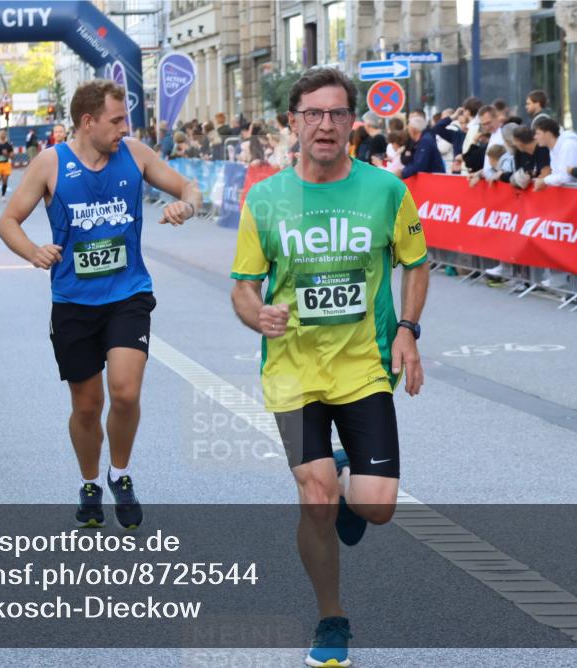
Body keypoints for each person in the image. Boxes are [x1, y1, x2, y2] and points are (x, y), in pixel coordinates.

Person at [229, 67, 428, 668]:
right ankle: (331, 617)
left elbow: (416, 262)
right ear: (293, 122)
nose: (324, 124)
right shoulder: (264, 199)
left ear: (351, 123)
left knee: (377, 507)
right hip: (292, 373)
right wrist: (257, 315)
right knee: (313, 495)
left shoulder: (386, 191)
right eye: (312, 113)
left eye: (336, 113)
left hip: (364, 366)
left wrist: (410, 332)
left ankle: (348, 482)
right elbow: (243, 285)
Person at [0, 80, 200, 532]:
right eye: (116, 120)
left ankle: (120, 475)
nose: (124, 127)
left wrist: (186, 207)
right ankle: (90, 482)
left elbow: (189, 187)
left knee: (125, 392)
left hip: (128, 294)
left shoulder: (134, 154)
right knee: (87, 405)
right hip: (73, 302)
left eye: (124, 119)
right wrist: (32, 251)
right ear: (87, 121)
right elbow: (8, 221)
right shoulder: (52, 163)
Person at [533, 117, 577, 190]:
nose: (535, 137)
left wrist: (544, 181)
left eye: (538, 133)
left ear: (548, 134)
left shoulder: (568, 146)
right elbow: (557, 174)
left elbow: (565, 178)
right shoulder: (553, 149)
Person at [0, 129, 14, 201]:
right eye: (1, 133)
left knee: (5, 180)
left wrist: (7, 154)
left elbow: (12, 156)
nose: (2, 135)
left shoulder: (8, 145)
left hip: (6, 164)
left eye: (4, 133)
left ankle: (3, 195)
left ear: (5, 135)